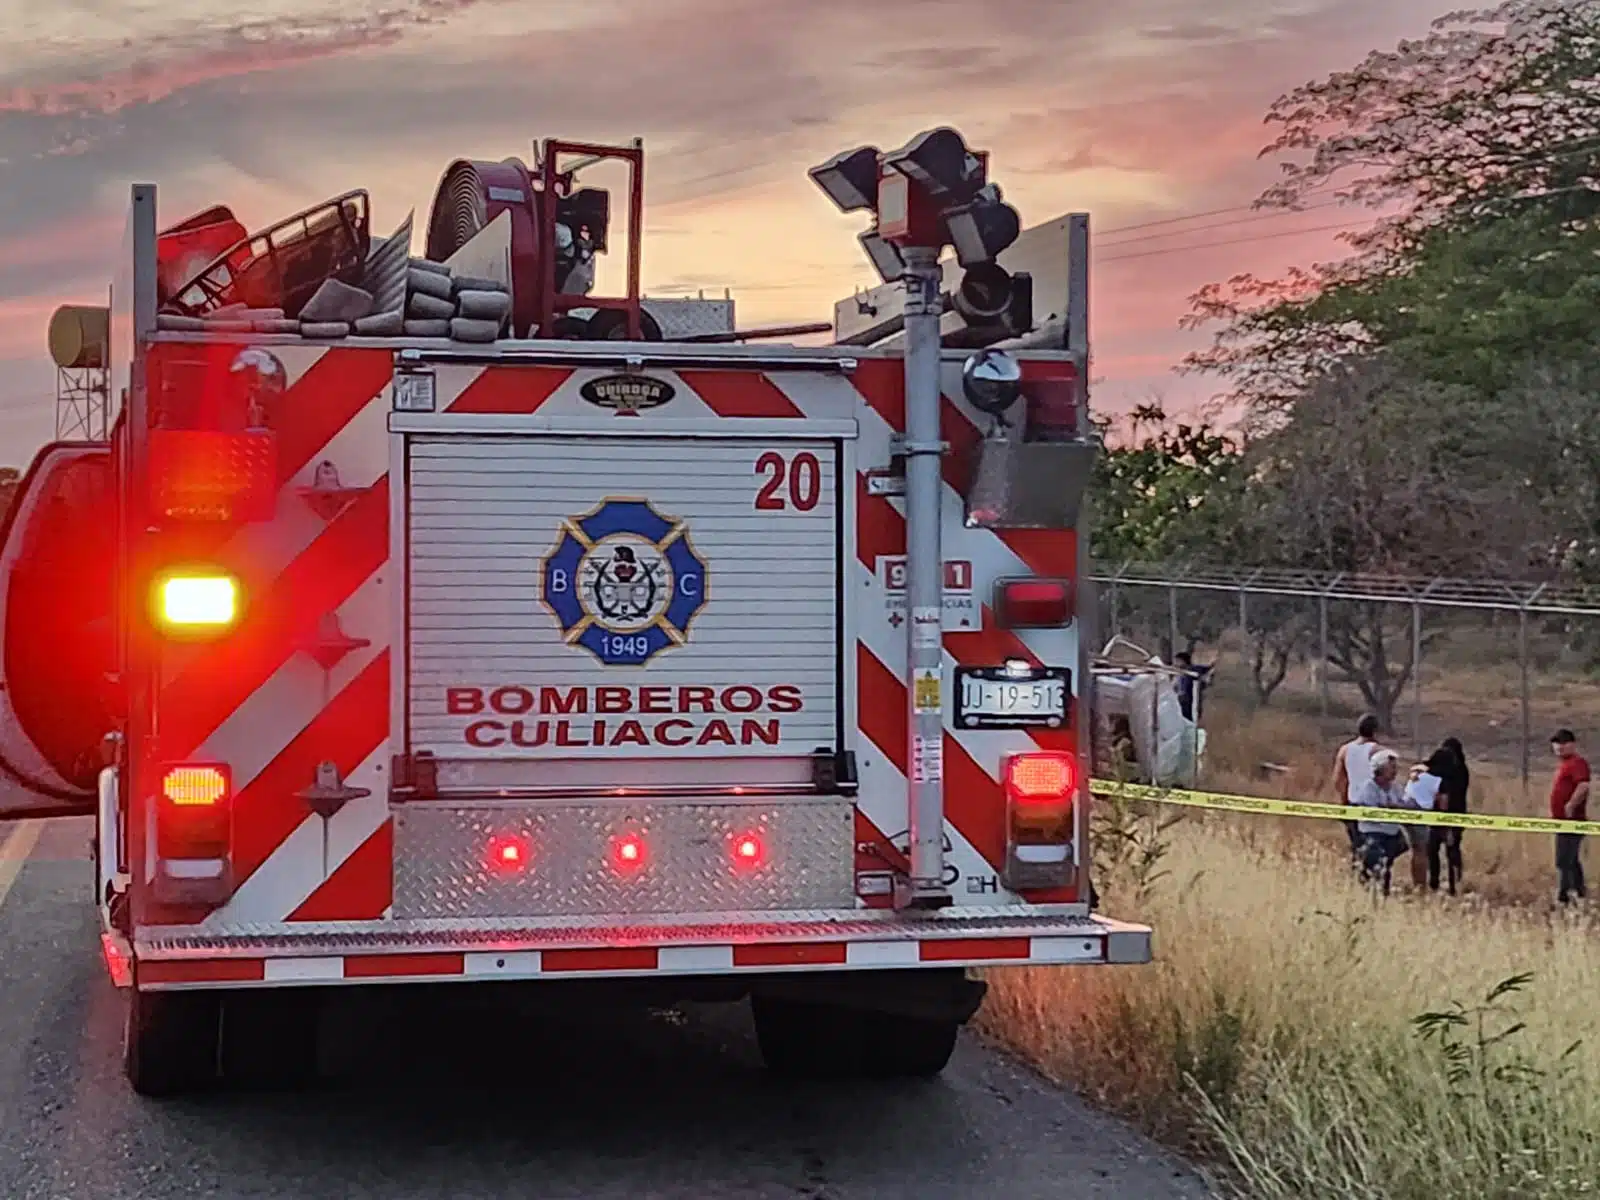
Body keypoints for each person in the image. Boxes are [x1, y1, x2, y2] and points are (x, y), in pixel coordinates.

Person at [1354, 748, 1417, 896]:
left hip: (1392, 834)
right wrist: (1387, 809)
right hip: (1372, 833)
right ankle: (1369, 893)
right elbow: (1370, 811)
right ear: (1380, 769)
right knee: (1376, 864)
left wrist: (1399, 807)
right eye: (1392, 767)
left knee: (1386, 866)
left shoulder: (1395, 787)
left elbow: (1408, 803)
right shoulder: (1368, 787)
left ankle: (1382, 895)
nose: (1395, 771)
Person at [1330, 715, 1381, 865]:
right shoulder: (1378, 751)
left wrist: (1344, 801)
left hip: (1353, 803)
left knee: (1358, 845)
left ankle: (1359, 879)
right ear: (1375, 731)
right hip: (1374, 805)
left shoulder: (1345, 750)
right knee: (1380, 845)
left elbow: (1338, 780)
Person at [1549, 729, 1590, 904]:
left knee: (1564, 860)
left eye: (1563, 743)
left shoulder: (1577, 763)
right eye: (1556, 743)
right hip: (1562, 822)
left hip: (1572, 821)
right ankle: (1578, 894)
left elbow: (1583, 785)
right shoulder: (1564, 764)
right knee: (1569, 860)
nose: (1559, 747)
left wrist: (1571, 804)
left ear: (1572, 744)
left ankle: (1565, 897)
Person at [1426, 737, 1469, 894]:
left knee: (1446, 849)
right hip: (1448, 815)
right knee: (1439, 849)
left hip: (1450, 815)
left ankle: (1451, 884)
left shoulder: (1458, 771)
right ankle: (1440, 882)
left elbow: (1448, 794)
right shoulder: (1453, 769)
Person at [1173, 652, 1211, 722]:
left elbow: (1206, 670)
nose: (1175, 663)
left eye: (1177, 661)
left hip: (1188, 699)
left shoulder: (1191, 669)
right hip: (1181, 698)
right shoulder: (1178, 672)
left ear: (1183, 661)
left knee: (1188, 718)